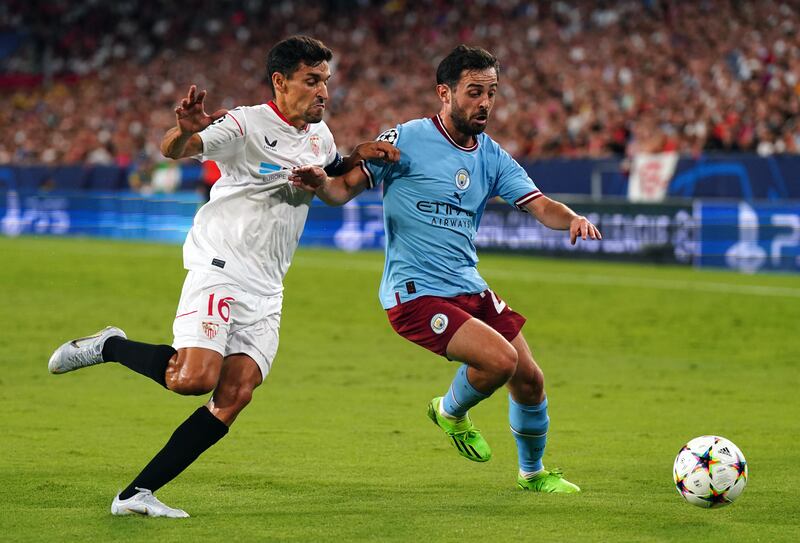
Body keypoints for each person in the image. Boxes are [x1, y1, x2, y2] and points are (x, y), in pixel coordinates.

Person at [47, 35, 398, 517]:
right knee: (191, 379)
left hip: (268, 287)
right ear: (281, 82)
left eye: (326, 82)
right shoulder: (244, 123)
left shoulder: (320, 135)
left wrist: (347, 165)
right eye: (312, 81)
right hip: (222, 268)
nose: (324, 92)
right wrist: (183, 131)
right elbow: (179, 148)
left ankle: (136, 494)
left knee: (234, 395)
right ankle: (110, 345)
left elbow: (332, 179)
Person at [290, 45, 601, 493]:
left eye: (492, 92)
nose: (486, 103)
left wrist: (571, 218)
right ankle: (449, 411)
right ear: (445, 93)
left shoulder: (491, 156)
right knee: (500, 361)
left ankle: (532, 474)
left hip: (468, 285)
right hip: (415, 293)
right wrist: (322, 183)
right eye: (475, 92)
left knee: (530, 380)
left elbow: (540, 205)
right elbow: (341, 192)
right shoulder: (406, 139)